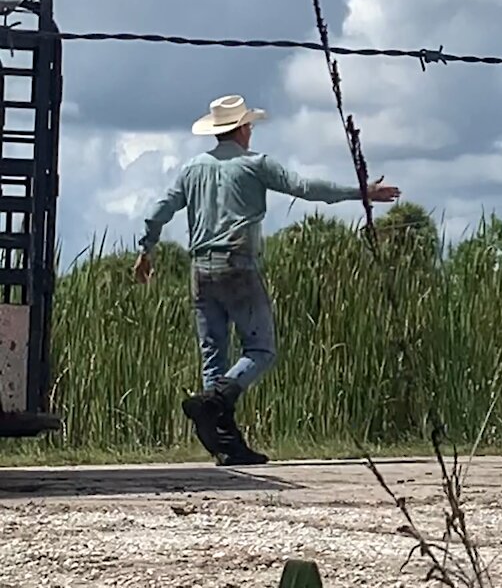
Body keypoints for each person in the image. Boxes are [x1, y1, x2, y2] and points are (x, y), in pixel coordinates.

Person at [132, 94, 401, 466]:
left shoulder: (192, 169)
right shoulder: (254, 164)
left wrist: (148, 249)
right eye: (249, 125)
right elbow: (306, 188)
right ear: (241, 128)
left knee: (214, 355)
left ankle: (225, 444)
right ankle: (217, 404)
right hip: (238, 264)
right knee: (261, 351)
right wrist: (363, 192)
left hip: (200, 268)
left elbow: (159, 210)